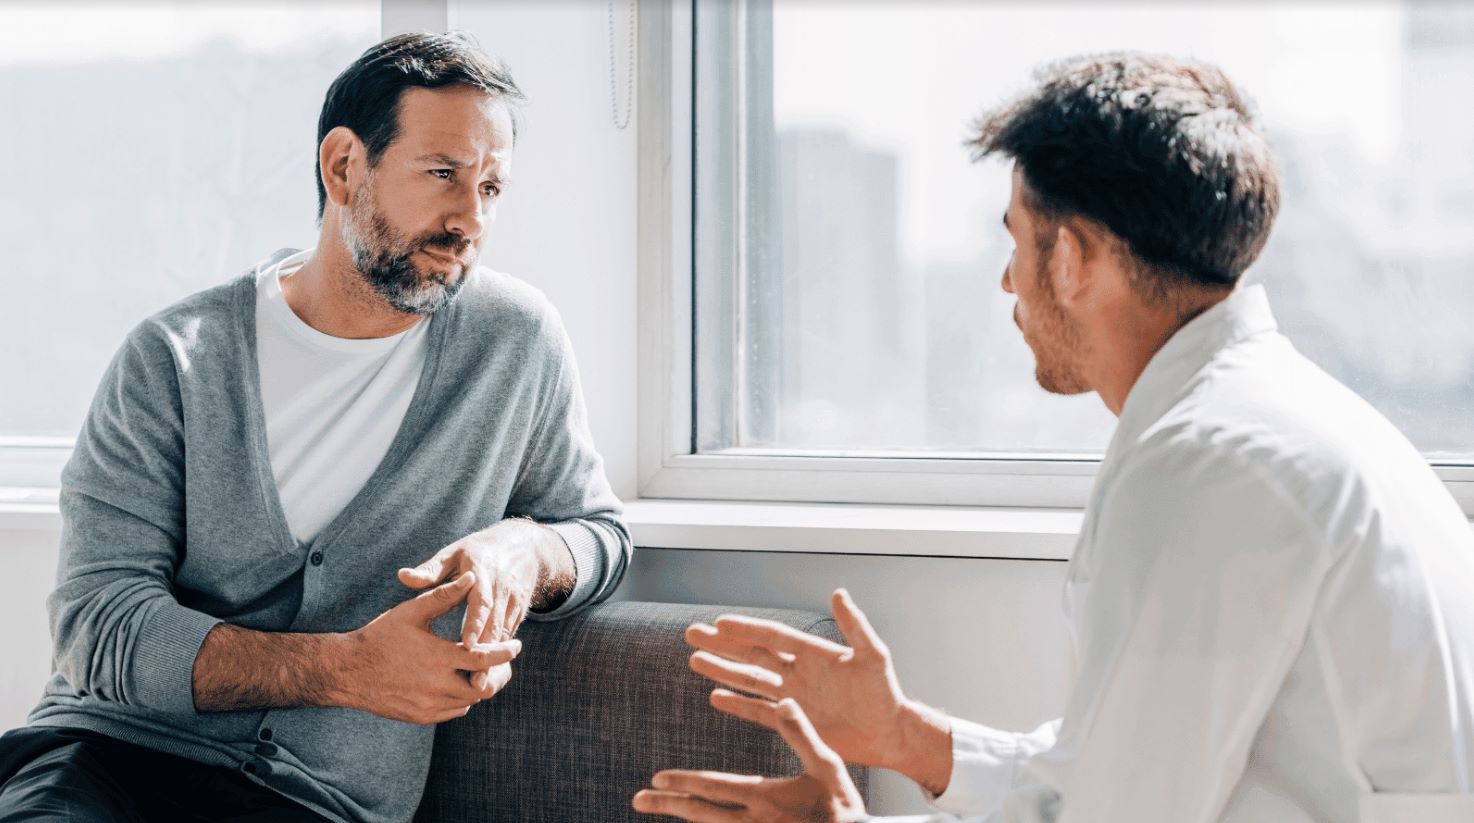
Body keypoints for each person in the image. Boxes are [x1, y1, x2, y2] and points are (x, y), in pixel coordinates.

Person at [633, 52, 1474, 823]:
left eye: (1017, 240)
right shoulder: (1277, 423)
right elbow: (1117, 770)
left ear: (1072, 258)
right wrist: (903, 737)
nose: (1007, 280)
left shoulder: (1208, 465)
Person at [0, 32, 631, 823]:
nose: (470, 219)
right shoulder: (176, 358)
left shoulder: (514, 341)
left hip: (317, 800)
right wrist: (343, 670)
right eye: (443, 174)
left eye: (493, 188)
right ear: (343, 167)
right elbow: (97, 626)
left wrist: (527, 549)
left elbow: (599, 532)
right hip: (104, 762)